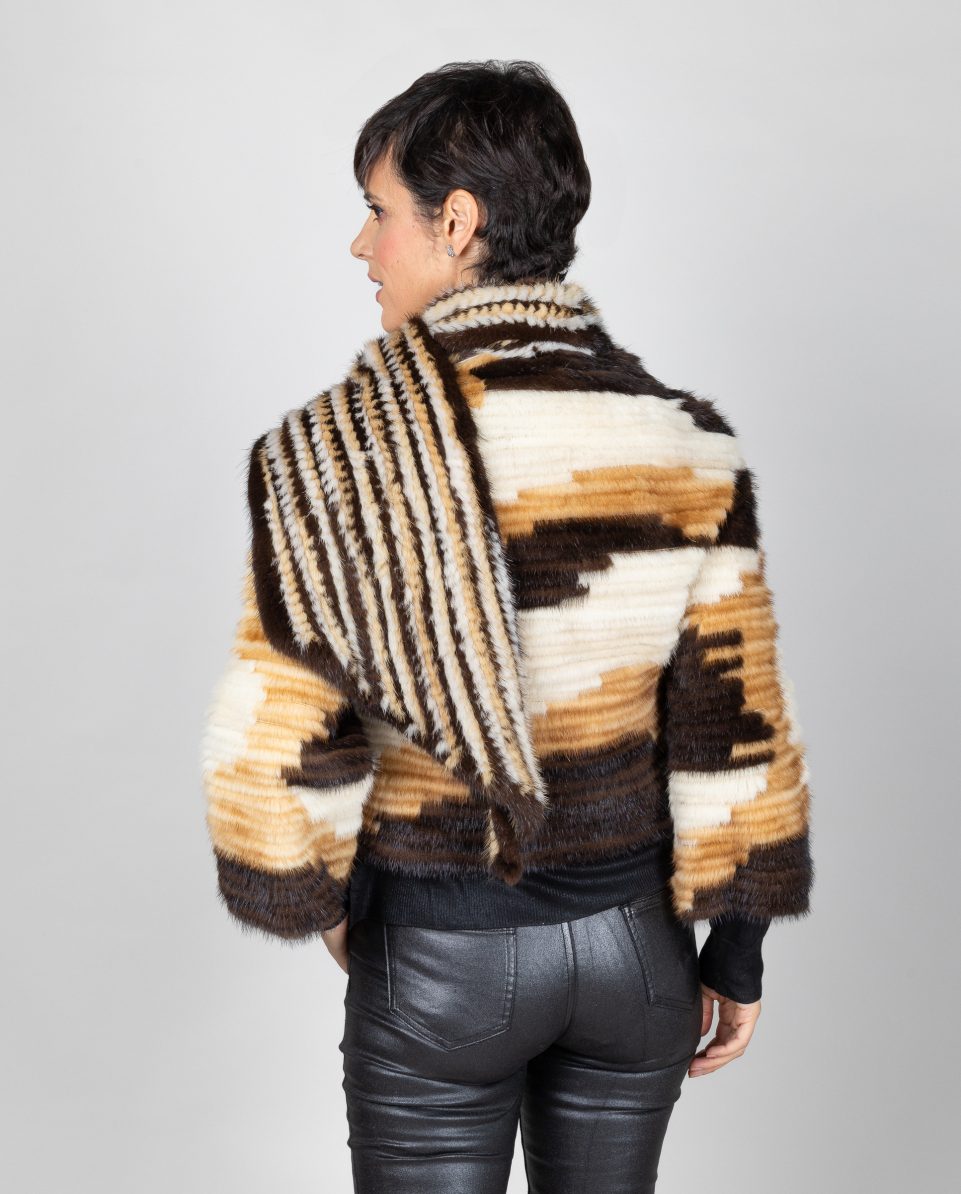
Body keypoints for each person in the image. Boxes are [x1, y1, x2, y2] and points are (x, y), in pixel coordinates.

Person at [202, 58, 814, 1193]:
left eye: (378, 210)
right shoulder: (683, 444)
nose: (360, 245)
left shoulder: (334, 453)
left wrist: (335, 915)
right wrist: (734, 955)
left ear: (457, 222)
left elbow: (277, 754)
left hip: (441, 960)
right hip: (637, 957)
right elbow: (734, 735)